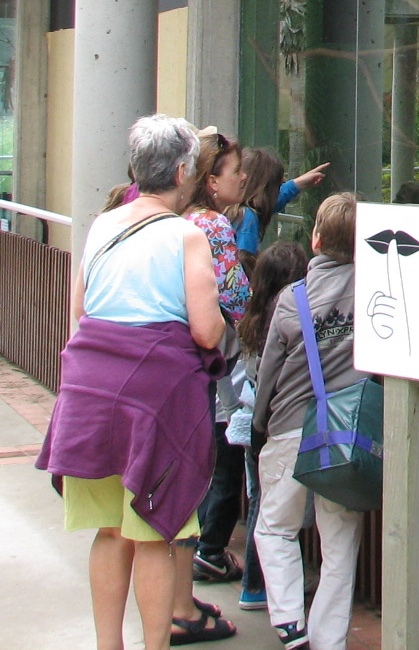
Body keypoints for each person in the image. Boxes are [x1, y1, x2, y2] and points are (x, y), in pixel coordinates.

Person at [35, 114, 236, 649]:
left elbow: (79, 311)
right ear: (179, 171)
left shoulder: (102, 226)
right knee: (153, 532)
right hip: (154, 400)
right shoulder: (187, 235)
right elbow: (206, 330)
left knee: (108, 530)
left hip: (90, 394)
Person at [253, 193, 366, 650]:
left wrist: (261, 423)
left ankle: (290, 624)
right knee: (340, 546)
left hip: (290, 428)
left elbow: (268, 374)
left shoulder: (290, 300)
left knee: (274, 527)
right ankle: (328, 641)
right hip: (345, 435)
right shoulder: (376, 288)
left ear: (315, 238)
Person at [185, 133, 254, 590]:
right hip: (220, 361)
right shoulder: (214, 226)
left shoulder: (180, 219)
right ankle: (212, 550)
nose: (243, 177)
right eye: (234, 170)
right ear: (211, 181)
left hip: (185, 360)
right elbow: (236, 299)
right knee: (228, 455)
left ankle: (198, 546)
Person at [230, 240, 313, 612]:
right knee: (271, 510)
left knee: (261, 502)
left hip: (252, 421)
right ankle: (257, 583)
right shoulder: (291, 319)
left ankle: (258, 582)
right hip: (273, 423)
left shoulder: (250, 321)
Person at [229, 149, 329, 259]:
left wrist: (297, 184)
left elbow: (270, 202)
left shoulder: (234, 207)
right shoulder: (247, 219)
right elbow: (245, 259)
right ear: (265, 189)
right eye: (277, 186)